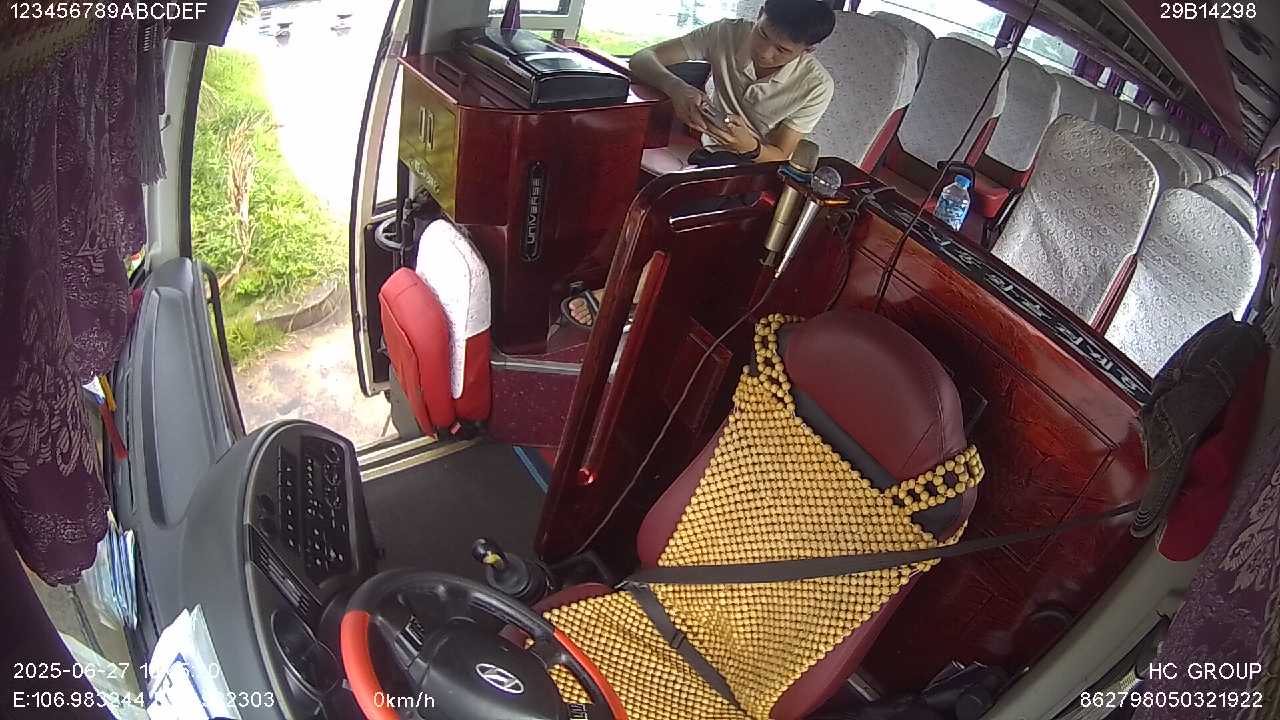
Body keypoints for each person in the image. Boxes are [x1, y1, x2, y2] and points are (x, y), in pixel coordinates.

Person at [563, 0, 837, 328]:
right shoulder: (725, 33)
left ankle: (631, 288)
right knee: (639, 182)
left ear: (808, 51)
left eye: (782, 50)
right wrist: (677, 88)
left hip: (762, 171)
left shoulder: (816, 86)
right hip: (711, 158)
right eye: (762, 34)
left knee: (695, 198)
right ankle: (617, 275)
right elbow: (643, 58)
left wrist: (748, 147)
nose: (765, 53)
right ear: (758, 15)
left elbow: (781, 155)